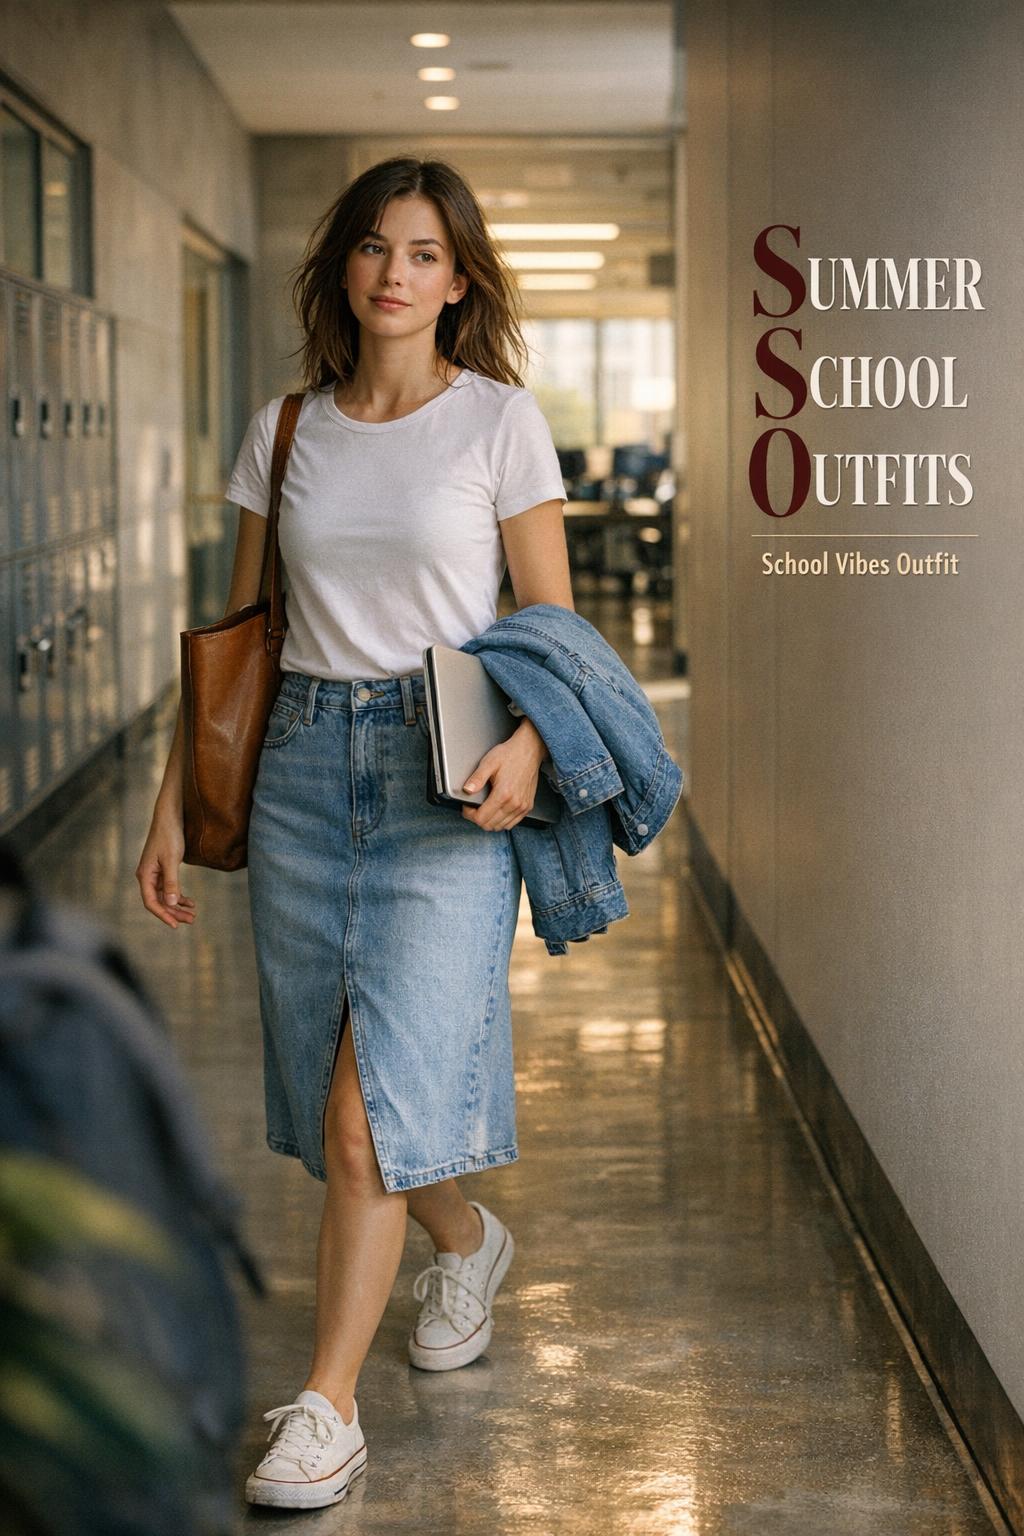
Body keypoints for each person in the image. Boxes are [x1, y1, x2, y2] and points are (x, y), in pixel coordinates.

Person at [134, 155, 574, 1511]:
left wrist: (531, 744)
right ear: (344, 267)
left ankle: (328, 1409)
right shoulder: (284, 432)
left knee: (362, 1113)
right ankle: (467, 1236)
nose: (396, 274)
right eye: (377, 248)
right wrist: (174, 803)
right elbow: (240, 639)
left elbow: (552, 625)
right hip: (304, 771)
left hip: (446, 773)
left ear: (460, 281)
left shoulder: (501, 422)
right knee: (345, 1102)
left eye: (427, 255)